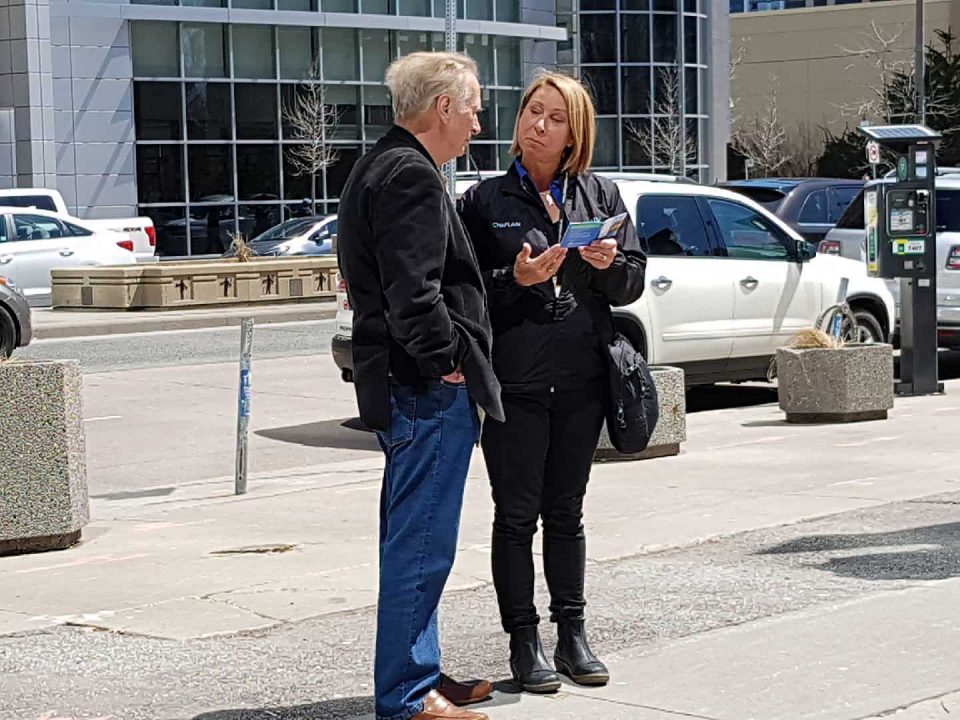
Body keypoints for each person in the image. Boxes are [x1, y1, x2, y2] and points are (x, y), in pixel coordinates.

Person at [458, 71, 646, 694]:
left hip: (584, 380)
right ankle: (523, 642)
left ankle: (573, 635)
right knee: (515, 516)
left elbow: (632, 285)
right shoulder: (484, 202)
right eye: (532, 112)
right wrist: (518, 278)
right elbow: (466, 293)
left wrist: (610, 263)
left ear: (575, 134)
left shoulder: (601, 195)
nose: (538, 124)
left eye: (554, 117)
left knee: (567, 511)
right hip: (515, 383)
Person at [337, 51, 505, 720]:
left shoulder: (390, 163)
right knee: (421, 547)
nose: (477, 119)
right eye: (472, 107)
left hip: (406, 386)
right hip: (424, 390)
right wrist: (446, 359)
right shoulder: (408, 174)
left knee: (418, 542)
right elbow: (415, 293)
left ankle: (422, 675)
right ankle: (409, 699)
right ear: (442, 107)